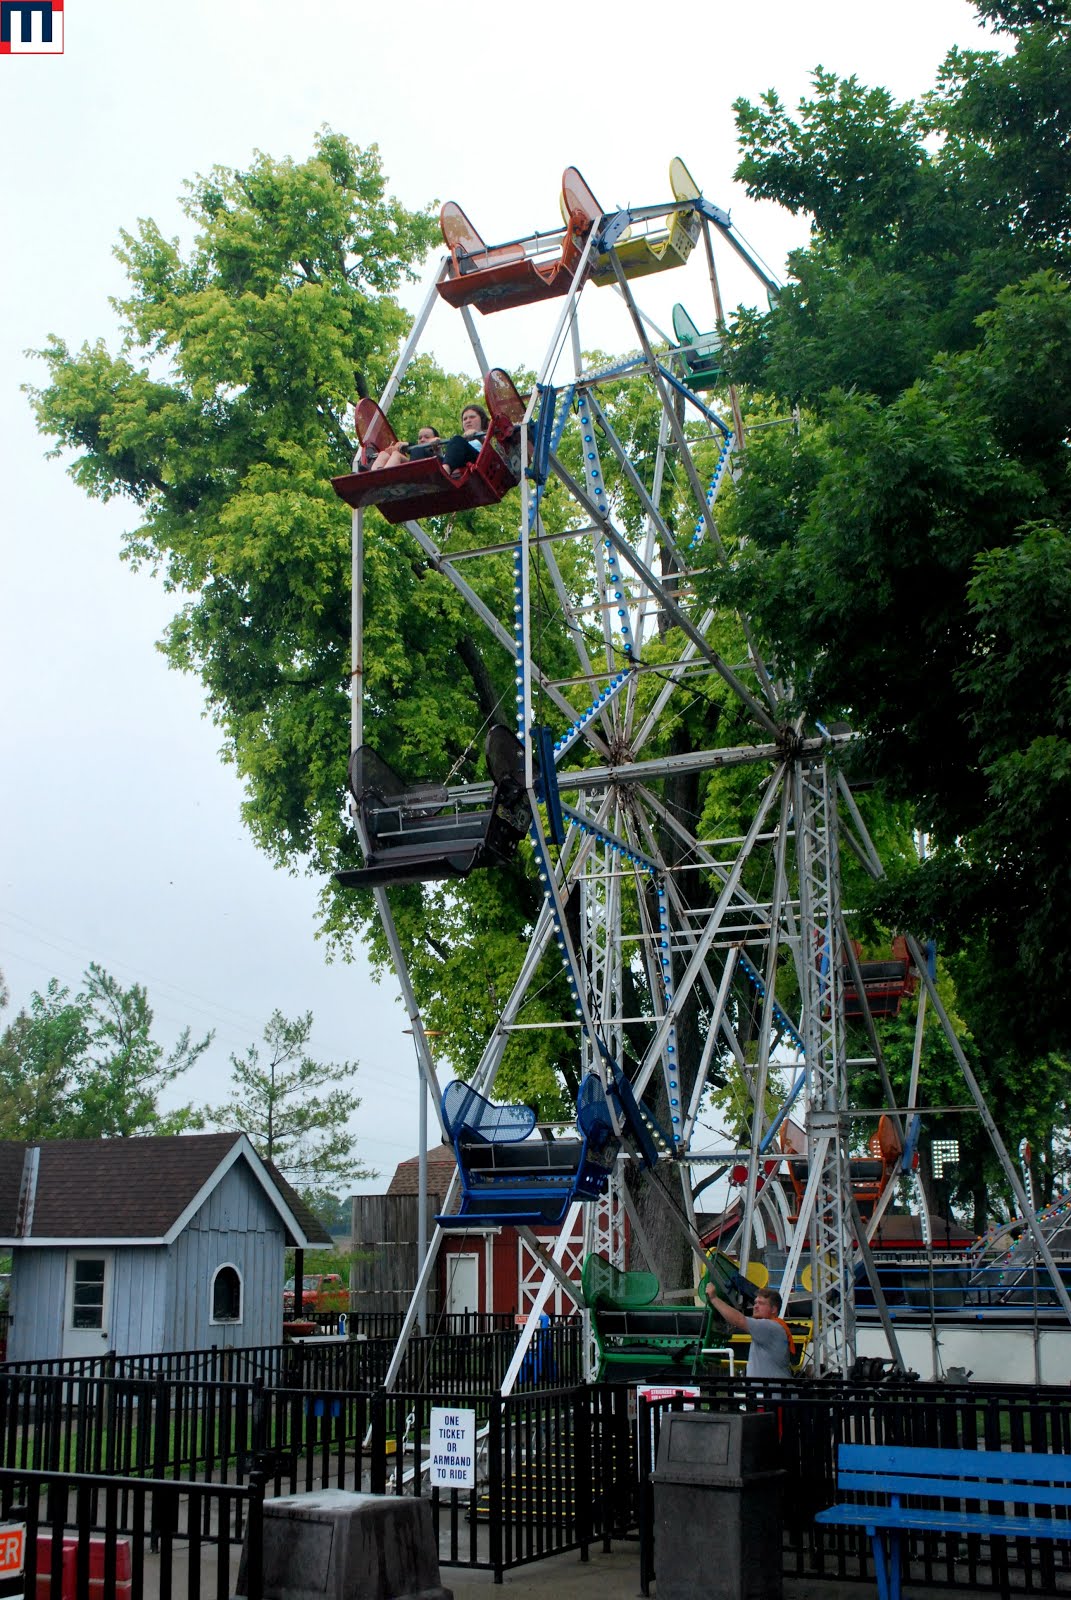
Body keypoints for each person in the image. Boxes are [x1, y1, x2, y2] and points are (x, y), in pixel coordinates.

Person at [705, 1281, 794, 1378]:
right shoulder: (771, 1327)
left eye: (761, 1303)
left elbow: (739, 1320)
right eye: (755, 1303)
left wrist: (714, 1298)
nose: (755, 1306)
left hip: (771, 1392)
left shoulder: (770, 1327)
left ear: (773, 1310)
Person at [368, 425, 441, 472]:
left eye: (427, 437)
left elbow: (437, 442)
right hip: (412, 467)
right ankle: (373, 474)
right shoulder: (416, 451)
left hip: (426, 471)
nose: (422, 439)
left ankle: (383, 474)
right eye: (420, 438)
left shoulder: (437, 450)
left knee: (398, 455)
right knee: (384, 454)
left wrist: (409, 444)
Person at [441, 404, 489, 473]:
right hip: (457, 464)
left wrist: (480, 438)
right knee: (422, 451)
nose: (468, 421)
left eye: (472, 417)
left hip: (481, 463)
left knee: (457, 439)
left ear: (482, 420)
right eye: (465, 419)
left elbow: (495, 454)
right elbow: (445, 459)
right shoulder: (456, 444)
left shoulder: (488, 435)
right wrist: (437, 450)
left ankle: (444, 475)